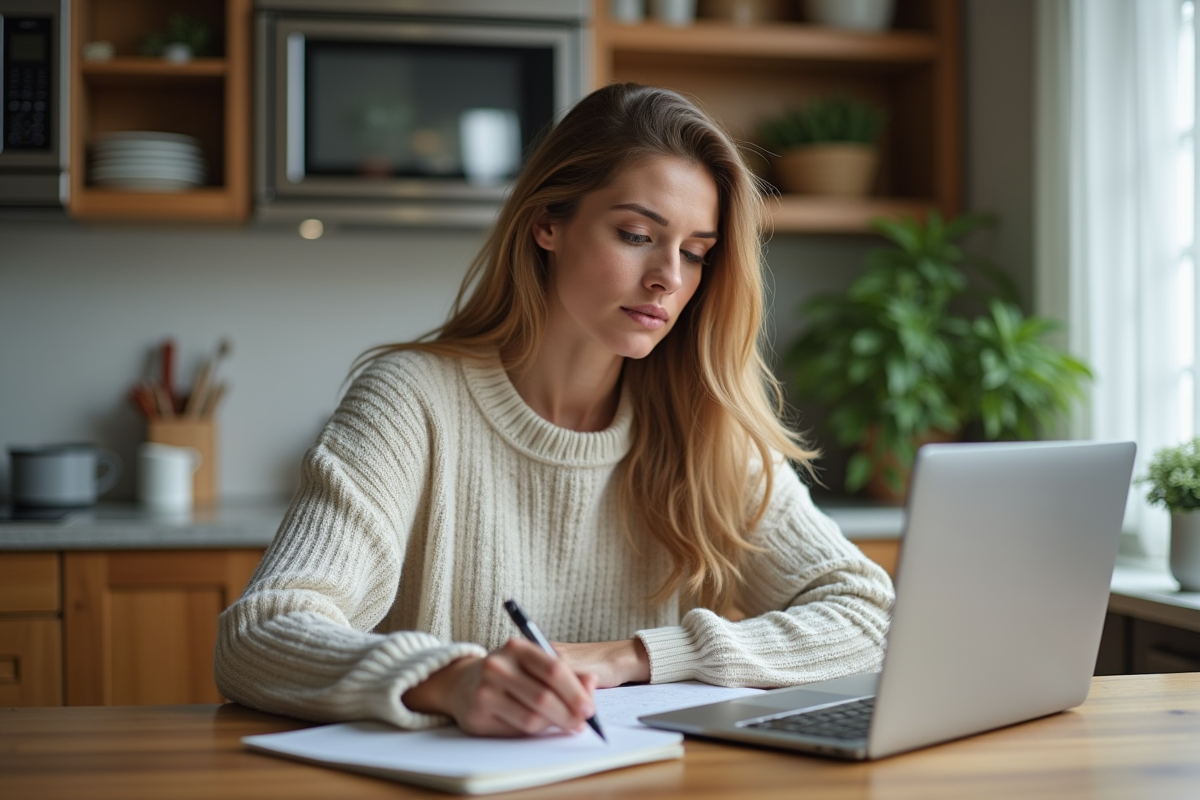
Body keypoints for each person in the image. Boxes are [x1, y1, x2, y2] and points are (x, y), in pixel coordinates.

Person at [215, 83, 894, 738]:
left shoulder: (705, 424)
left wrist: (633, 657)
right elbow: (260, 632)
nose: (669, 278)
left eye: (695, 253)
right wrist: (452, 680)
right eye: (635, 235)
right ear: (547, 223)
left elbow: (872, 617)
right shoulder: (411, 400)